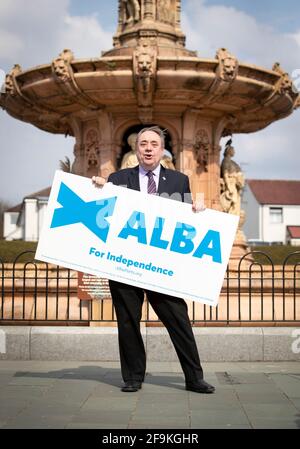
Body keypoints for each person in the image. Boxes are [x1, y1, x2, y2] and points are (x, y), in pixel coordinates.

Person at [92, 126, 215, 394]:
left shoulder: (179, 181)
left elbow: (186, 226)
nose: (148, 148)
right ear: (137, 149)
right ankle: (133, 377)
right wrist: (97, 189)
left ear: (162, 150)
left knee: (179, 320)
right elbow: (103, 213)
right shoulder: (117, 178)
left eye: (154, 144)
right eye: (143, 143)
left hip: (162, 268)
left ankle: (194, 378)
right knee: (128, 322)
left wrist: (198, 210)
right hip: (125, 265)